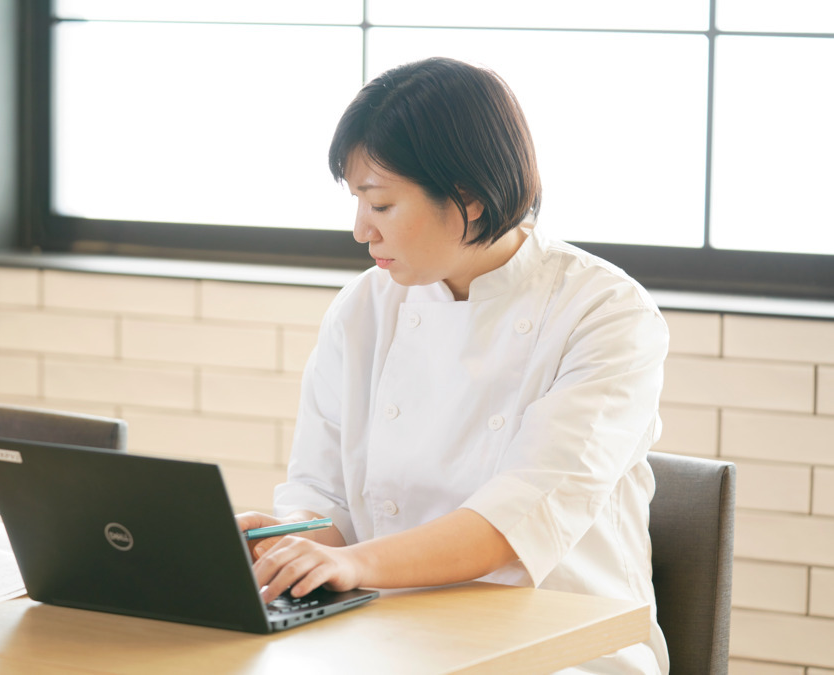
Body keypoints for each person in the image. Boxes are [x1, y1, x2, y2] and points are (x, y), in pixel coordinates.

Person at [236, 56, 669, 674]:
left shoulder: (604, 312)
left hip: (563, 649)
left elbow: (515, 519)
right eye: (356, 200)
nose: (361, 230)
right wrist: (288, 545)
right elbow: (323, 495)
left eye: (380, 205)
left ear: (466, 197)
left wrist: (354, 564)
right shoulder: (364, 307)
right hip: (392, 632)